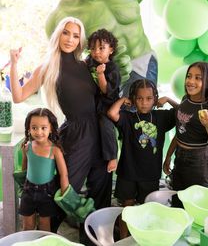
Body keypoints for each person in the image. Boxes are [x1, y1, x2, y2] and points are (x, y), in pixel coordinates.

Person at [45, 0, 208, 92]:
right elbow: (66, 66)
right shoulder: (63, 16)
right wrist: (98, 72)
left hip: (143, 62)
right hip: (107, 75)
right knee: (113, 131)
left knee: (144, 127)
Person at [10, 17, 112, 217]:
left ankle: (93, 237)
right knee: (64, 192)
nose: (70, 39)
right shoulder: (48, 67)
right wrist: (14, 64)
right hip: (76, 135)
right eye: (66, 33)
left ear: (80, 40)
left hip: (99, 133)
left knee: (101, 192)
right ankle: (49, 234)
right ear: (58, 34)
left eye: (75, 35)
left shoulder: (85, 65)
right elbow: (18, 96)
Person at [107, 79, 177, 238]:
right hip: (128, 172)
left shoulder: (161, 117)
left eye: (149, 98)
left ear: (155, 98)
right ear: (133, 99)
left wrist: (168, 99)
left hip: (150, 174)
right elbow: (112, 113)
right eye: (139, 98)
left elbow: (183, 112)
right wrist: (122, 100)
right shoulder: (128, 118)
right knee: (127, 208)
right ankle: (124, 239)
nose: (144, 103)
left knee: (147, 208)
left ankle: (143, 237)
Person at [163, 62, 208, 208]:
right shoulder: (186, 99)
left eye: (198, 78)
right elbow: (182, 127)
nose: (191, 81)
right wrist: (168, 157)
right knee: (177, 201)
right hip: (179, 157)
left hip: (198, 162)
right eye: (189, 76)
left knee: (193, 205)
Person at [19, 107, 69, 231]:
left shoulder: (55, 150)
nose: (38, 132)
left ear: (51, 128)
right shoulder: (28, 146)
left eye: (43, 128)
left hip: (47, 193)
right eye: (34, 127)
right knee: (27, 226)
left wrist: (65, 196)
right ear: (29, 129)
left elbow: (63, 174)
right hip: (28, 190)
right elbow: (24, 167)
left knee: (44, 226)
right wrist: (22, 185)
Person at [86, 28, 121, 173]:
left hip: (108, 106)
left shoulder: (112, 69)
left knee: (105, 126)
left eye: (102, 48)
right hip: (93, 104)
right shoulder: (90, 62)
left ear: (111, 50)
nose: (97, 52)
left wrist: (100, 74)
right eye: (93, 48)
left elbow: (106, 90)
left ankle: (112, 156)